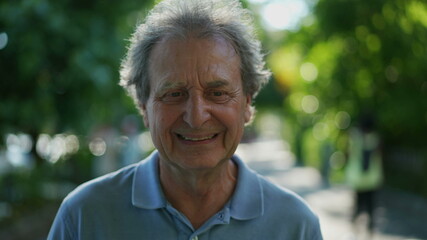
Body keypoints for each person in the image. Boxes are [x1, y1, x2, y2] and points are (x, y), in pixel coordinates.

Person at [48, 0, 322, 239]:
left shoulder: (295, 226)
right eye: (174, 93)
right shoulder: (83, 218)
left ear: (247, 103)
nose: (196, 116)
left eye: (217, 93)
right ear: (143, 107)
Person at [346, 115, 383, 233]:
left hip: (358, 179)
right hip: (373, 179)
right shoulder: (376, 139)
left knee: (358, 205)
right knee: (371, 207)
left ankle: (354, 231)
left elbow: (349, 153)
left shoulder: (355, 138)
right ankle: (370, 232)